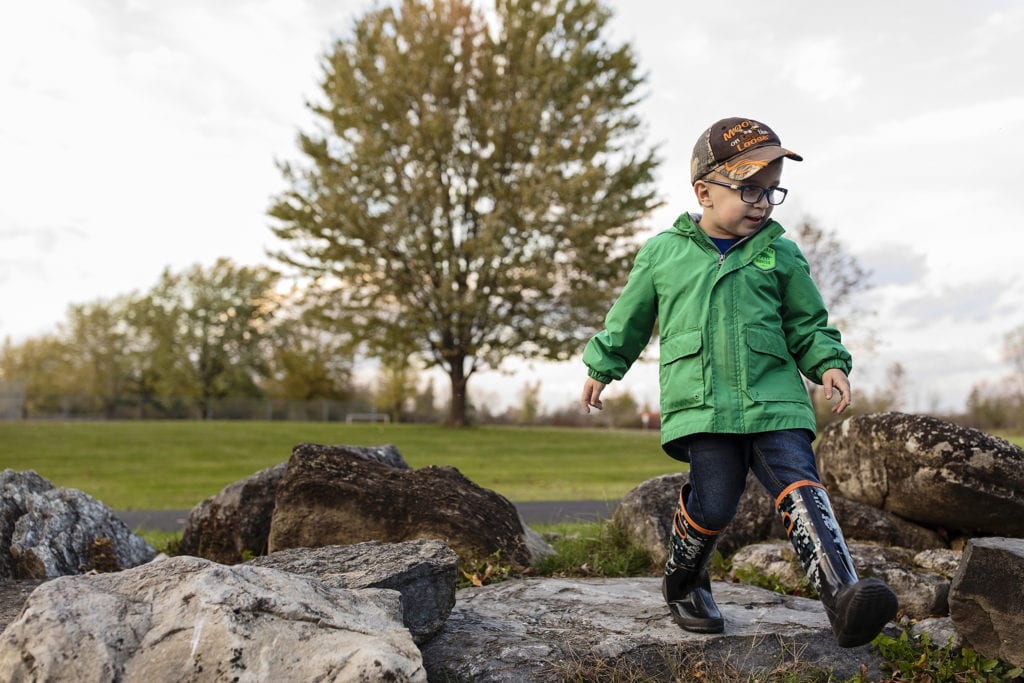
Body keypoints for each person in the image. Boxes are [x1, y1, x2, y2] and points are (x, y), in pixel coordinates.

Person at [579, 117, 898, 648]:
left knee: (800, 484)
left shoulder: (781, 254)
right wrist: (603, 365)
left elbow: (807, 324)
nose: (762, 202)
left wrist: (828, 364)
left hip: (775, 397)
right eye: (749, 188)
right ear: (704, 191)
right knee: (716, 503)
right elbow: (628, 319)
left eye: (772, 190)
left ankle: (843, 597)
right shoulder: (663, 254)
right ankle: (684, 582)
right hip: (702, 405)